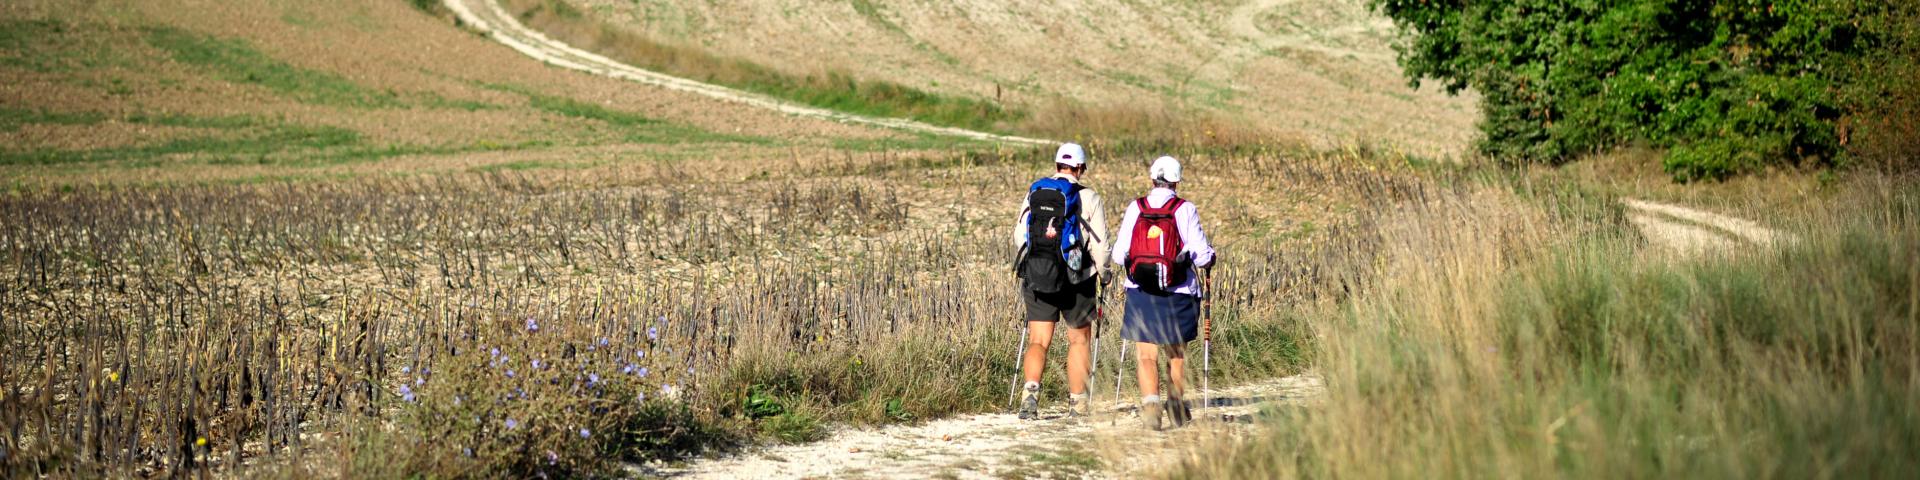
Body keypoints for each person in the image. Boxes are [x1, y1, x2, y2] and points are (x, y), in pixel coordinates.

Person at [1111, 155, 1214, 431]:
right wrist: (1210, 258)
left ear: (1152, 178)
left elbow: (1119, 255)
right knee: (1176, 353)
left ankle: (1151, 409)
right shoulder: (1185, 209)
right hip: (1178, 292)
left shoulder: (1136, 207)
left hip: (1140, 290)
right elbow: (1202, 256)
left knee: (1146, 355)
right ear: (1176, 180)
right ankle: (1176, 406)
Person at [1011, 143, 1111, 420]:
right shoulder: (1090, 197)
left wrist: (1035, 263)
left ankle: (1029, 399)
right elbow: (1101, 246)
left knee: (1038, 340)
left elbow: (1020, 235)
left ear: (1056, 165)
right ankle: (1077, 405)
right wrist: (1104, 273)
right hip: (1077, 279)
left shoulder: (1035, 191)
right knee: (1078, 340)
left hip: (1038, 273)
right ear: (1081, 168)